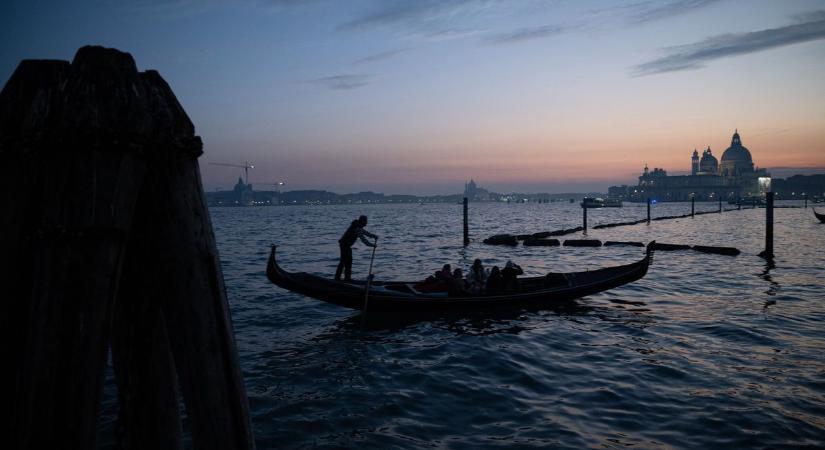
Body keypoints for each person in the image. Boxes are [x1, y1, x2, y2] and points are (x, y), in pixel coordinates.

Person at [335, 215, 377, 281]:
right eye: (365, 221)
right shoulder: (357, 228)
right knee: (344, 261)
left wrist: (373, 236)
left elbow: (365, 233)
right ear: (362, 221)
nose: (366, 223)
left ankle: (347, 278)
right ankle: (338, 278)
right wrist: (372, 245)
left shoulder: (358, 226)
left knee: (349, 261)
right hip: (344, 245)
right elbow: (364, 240)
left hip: (347, 246)